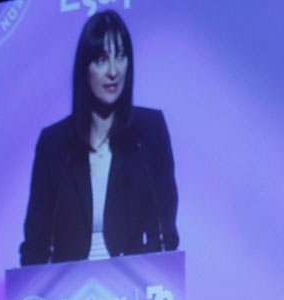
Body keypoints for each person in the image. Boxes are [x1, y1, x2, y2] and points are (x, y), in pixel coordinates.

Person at [20, 10, 178, 265]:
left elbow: (166, 226)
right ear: (85, 68)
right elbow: (35, 242)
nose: (113, 71)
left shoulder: (149, 132)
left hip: (136, 280)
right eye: (102, 59)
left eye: (121, 56)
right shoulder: (54, 143)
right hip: (71, 284)